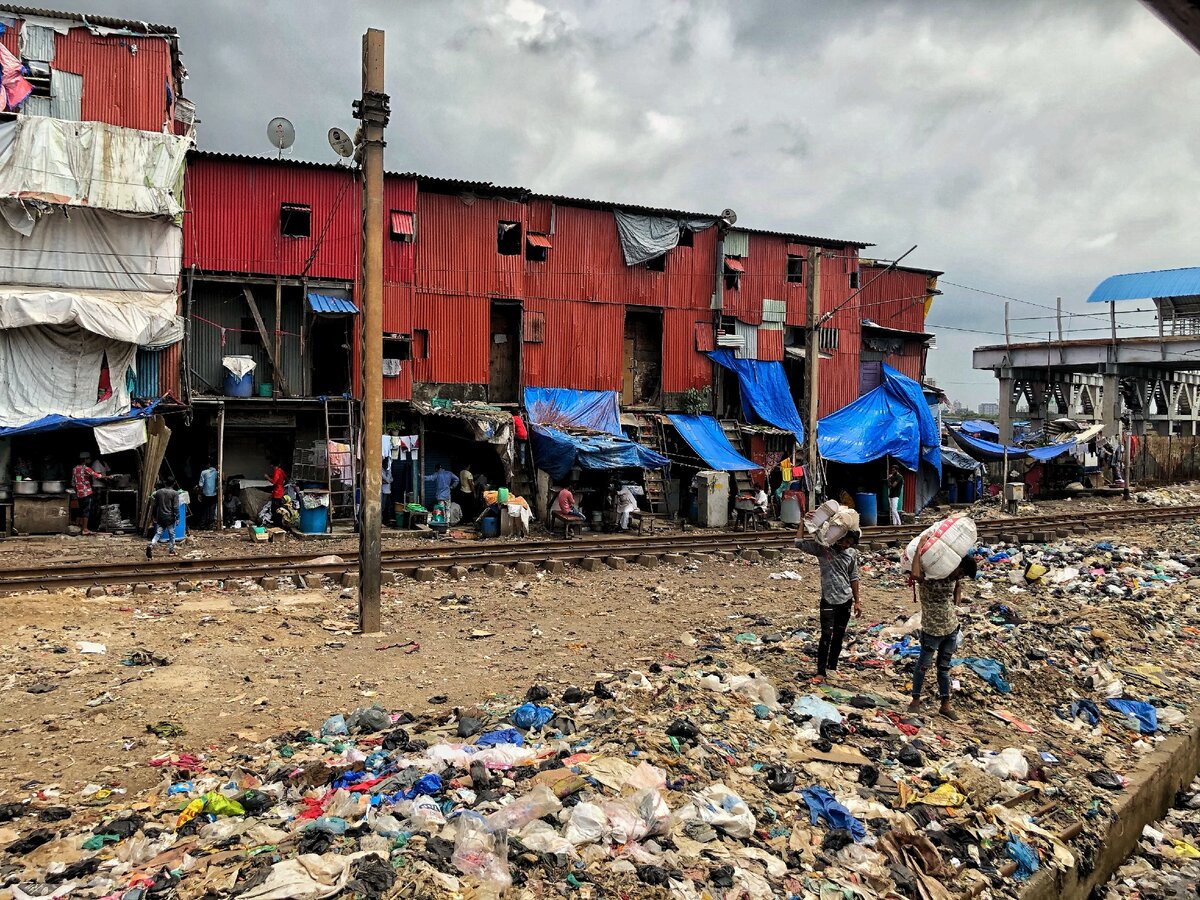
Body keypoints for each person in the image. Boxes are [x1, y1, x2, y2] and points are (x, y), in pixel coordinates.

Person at [907, 554, 978, 719]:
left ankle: (945, 705)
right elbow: (916, 575)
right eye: (961, 572)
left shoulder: (953, 578)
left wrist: (956, 603)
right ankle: (915, 700)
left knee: (944, 668)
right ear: (955, 565)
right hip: (932, 628)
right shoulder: (932, 573)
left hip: (951, 628)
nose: (959, 577)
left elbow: (958, 587)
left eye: (962, 575)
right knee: (923, 666)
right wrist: (918, 550)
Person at [795, 524, 862, 683]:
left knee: (839, 636)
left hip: (846, 599)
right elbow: (798, 543)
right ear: (837, 537)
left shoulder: (851, 554)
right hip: (828, 599)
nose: (845, 545)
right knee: (826, 635)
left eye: (849, 543)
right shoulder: (823, 550)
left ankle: (832, 668)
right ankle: (820, 671)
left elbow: (854, 577)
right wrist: (803, 523)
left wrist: (857, 601)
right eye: (844, 541)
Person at [71, 452, 107, 536]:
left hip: (79, 492)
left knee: (80, 509)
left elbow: (73, 482)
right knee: (86, 510)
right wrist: (107, 477)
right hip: (87, 492)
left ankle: (78, 526)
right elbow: (96, 475)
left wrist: (77, 490)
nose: (90, 460)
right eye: (89, 459)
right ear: (85, 460)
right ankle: (85, 529)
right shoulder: (86, 468)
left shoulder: (75, 469)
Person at [146, 477, 180, 558]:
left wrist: (154, 516)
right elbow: (175, 507)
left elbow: (155, 505)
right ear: (174, 483)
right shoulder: (175, 493)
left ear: (165, 482)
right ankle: (171, 550)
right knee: (172, 534)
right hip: (170, 517)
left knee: (158, 533)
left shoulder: (159, 492)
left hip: (160, 516)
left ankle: (151, 544)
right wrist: (177, 517)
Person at [197, 461, 219, 529]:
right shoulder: (217, 473)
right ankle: (210, 525)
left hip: (205, 494)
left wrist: (199, 494)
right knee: (212, 510)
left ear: (209, 465)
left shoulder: (203, 472)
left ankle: (203, 525)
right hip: (214, 494)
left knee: (205, 509)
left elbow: (201, 485)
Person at [266, 458, 287, 528]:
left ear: (272, 465)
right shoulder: (281, 471)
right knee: (279, 509)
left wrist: (267, 477)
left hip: (277, 493)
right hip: (281, 492)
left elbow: (273, 482)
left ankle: (277, 525)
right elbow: (286, 478)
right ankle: (279, 524)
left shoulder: (276, 471)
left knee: (275, 510)